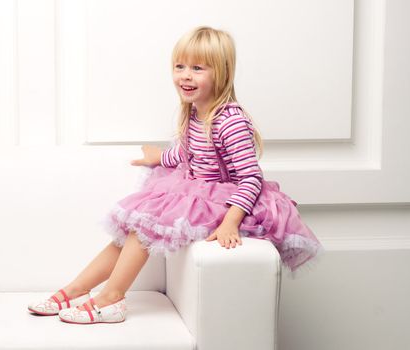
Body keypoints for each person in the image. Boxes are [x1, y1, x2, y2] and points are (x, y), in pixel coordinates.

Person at [28, 26, 323, 324]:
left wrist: (231, 223)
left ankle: (112, 298)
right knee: (132, 227)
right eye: (179, 67)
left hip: (229, 202)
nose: (185, 75)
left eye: (197, 68)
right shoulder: (195, 112)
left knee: (144, 226)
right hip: (198, 190)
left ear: (221, 72)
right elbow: (187, 153)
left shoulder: (230, 120)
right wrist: (159, 157)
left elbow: (251, 179)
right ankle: (76, 288)